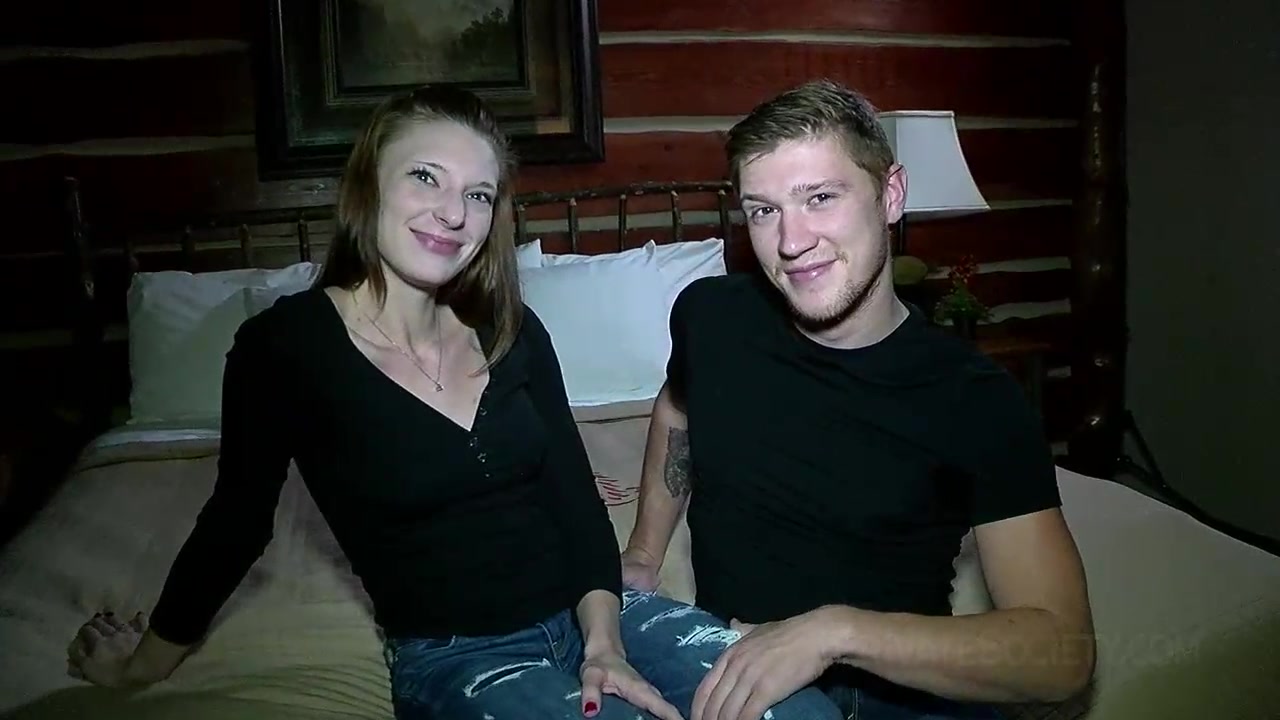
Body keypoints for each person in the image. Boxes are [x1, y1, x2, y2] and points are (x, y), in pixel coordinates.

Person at [62, 85, 687, 720]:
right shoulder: (285, 348)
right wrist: (141, 666)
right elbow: (236, 523)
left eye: (478, 195)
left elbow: (576, 501)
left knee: (757, 690)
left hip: (597, 614)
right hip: (460, 654)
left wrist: (604, 646)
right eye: (425, 177)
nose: (454, 213)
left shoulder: (512, 329)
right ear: (368, 186)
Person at [618, 79, 1096, 720]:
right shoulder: (710, 316)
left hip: (893, 696)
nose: (791, 241)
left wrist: (833, 633)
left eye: (820, 198)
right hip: (722, 664)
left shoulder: (975, 398)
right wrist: (645, 552)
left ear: (890, 195)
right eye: (763, 210)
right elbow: (677, 409)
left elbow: (1062, 653)